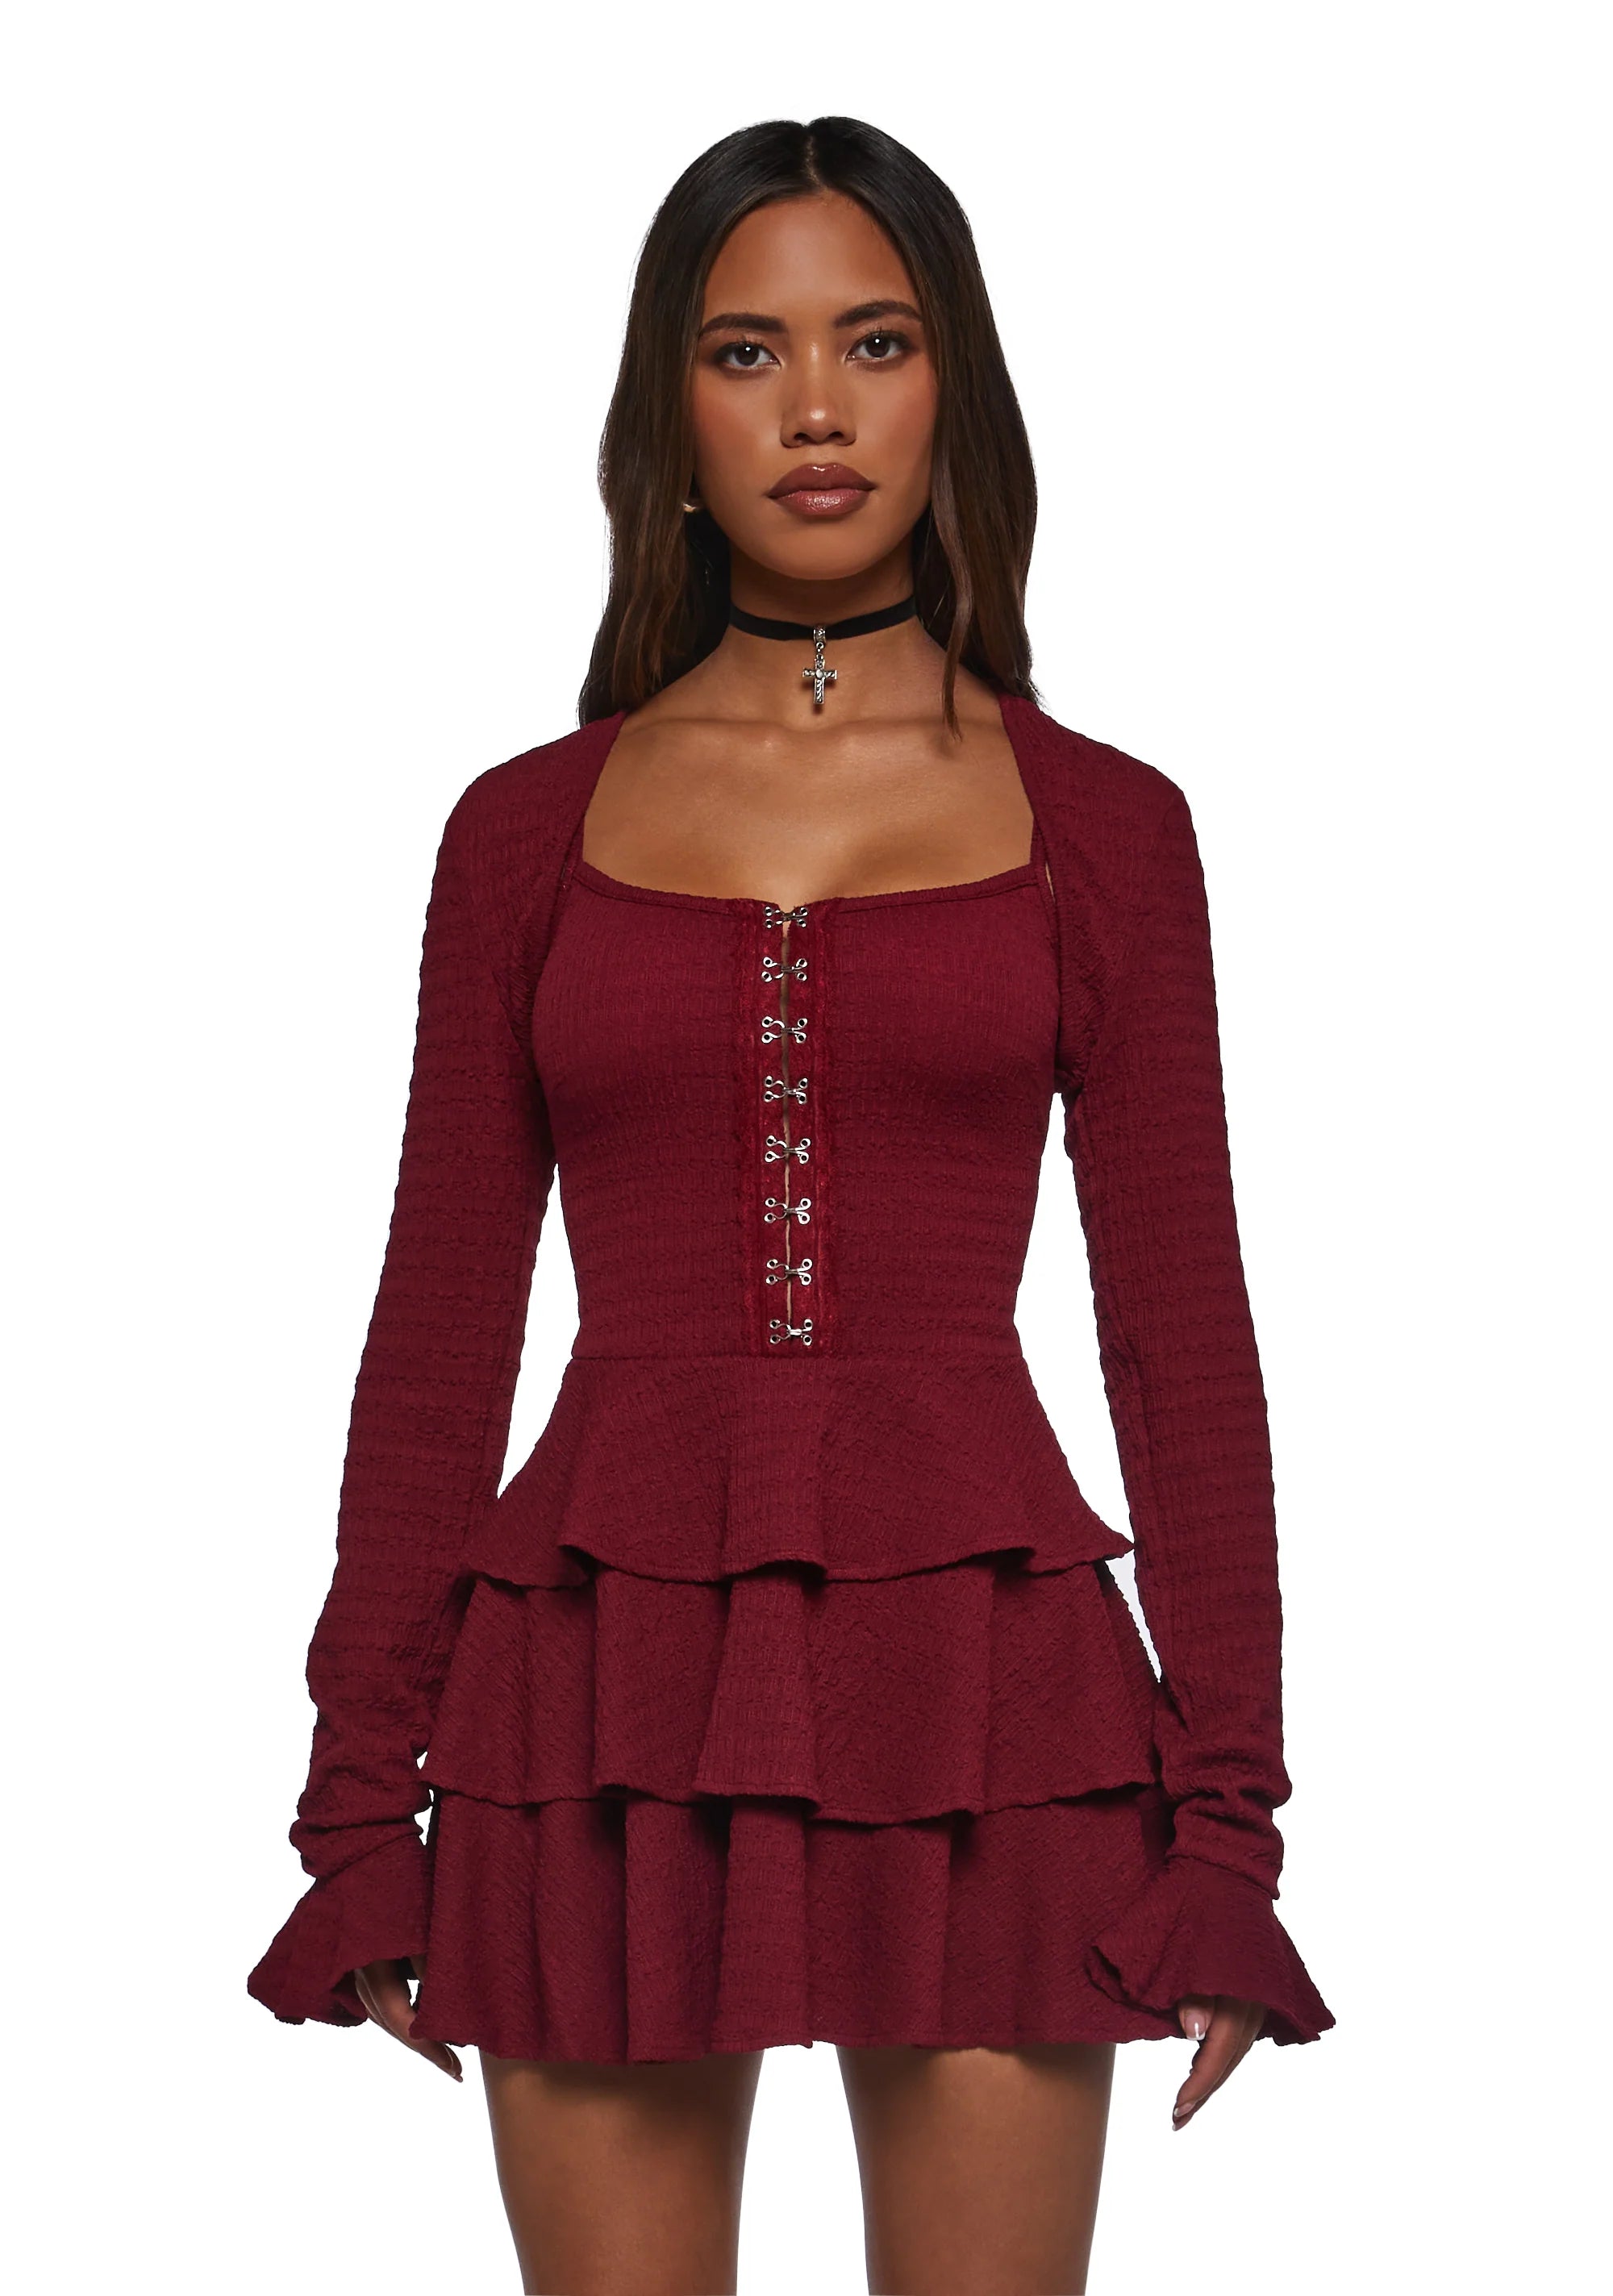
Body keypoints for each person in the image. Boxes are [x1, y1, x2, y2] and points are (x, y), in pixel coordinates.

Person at [248, 115, 1332, 2296]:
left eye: (877, 343)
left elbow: (1180, 1345)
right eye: (747, 350)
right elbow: (441, 1331)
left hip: (994, 1707)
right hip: (597, 1701)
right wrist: (358, 1795)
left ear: (957, 391)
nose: (816, 408)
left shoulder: (1108, 827)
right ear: (667, 406)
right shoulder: (522, 833)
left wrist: (1233, 1821)